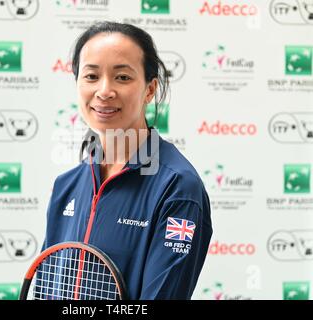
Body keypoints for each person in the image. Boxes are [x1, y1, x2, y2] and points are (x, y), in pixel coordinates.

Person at [41, 21, 213, 300]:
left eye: (122, 77)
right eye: (91, 76)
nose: (104, 91)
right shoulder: (66, 186)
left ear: (149, 89)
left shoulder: (177, 186)